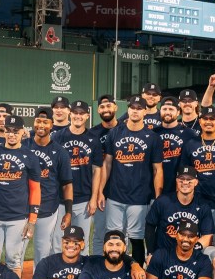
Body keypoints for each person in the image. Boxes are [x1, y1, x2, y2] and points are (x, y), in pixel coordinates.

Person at [97, 96, 164, 263]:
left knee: (136, 239)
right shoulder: (115, 133)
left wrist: (158, 197)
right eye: (132, 107)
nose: (135, 111)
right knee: (113, 238)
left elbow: (158, 169)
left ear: (145, 111)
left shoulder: (152, 137)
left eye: (139, 108)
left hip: (140, 198)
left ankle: (137, 274)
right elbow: (107, 164)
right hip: (115, 196)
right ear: (128, 109)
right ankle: (114, 273)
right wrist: (100, 191)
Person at [0, 114, 42, 272]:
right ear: (4, 131)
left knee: (13, 260)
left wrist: (32, 220)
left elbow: (35, 189)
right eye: (8, 130)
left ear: (23, 132)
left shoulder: (30, 156)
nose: (12, 134)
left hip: (18, 216)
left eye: (16, 131)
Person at [27, 107, 74, 265]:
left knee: (43, 251)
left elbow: (67, 184)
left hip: (48, 207)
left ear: (52, 125)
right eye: (38, 121)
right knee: (18, 251)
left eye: (45, 122)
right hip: (22, 207)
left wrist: (68, 212)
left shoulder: (60, 152)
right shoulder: (23, 146)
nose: (41, 125)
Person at [55, 100, 103, 243]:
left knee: (81, 242)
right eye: (75, 113)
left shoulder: (93, 139)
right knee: (58, 242)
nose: (78, 116)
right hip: (60, 199)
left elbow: (97, 170)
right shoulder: (57, 137)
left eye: (82, 113)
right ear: (70, 114)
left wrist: (93, 198)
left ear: (87, 116)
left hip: (83, 199)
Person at [144, 166, 215, 258]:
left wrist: (191, 249)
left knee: (214, 252)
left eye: (189, 179)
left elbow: (207, 235)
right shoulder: (163, 201)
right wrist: (150, 253)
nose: (185, 182)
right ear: (176, 181)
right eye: (181, 179)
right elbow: (150, 226)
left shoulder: (203, 206)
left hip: (190, 256)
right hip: (164, 255)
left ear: (196, 182)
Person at [88, 95, 120, 255]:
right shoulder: (93, 133)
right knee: (99, 234)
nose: (106, 109)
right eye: (102, 107)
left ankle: (120, 265)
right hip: (101, 190)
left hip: (121, 191)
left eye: (109, 106)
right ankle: (96, 264)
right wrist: (97, 192)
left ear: (116, 107)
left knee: (121, 234)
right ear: (98, 110)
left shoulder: (126, 129)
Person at [154, 97, 188, 194]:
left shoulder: (188, 134)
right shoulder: (152, 133)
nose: (167, 112)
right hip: (153, 189)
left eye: (171, 109)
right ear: (160, 111)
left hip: (179, 189)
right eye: (164, 109)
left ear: (178, 112)